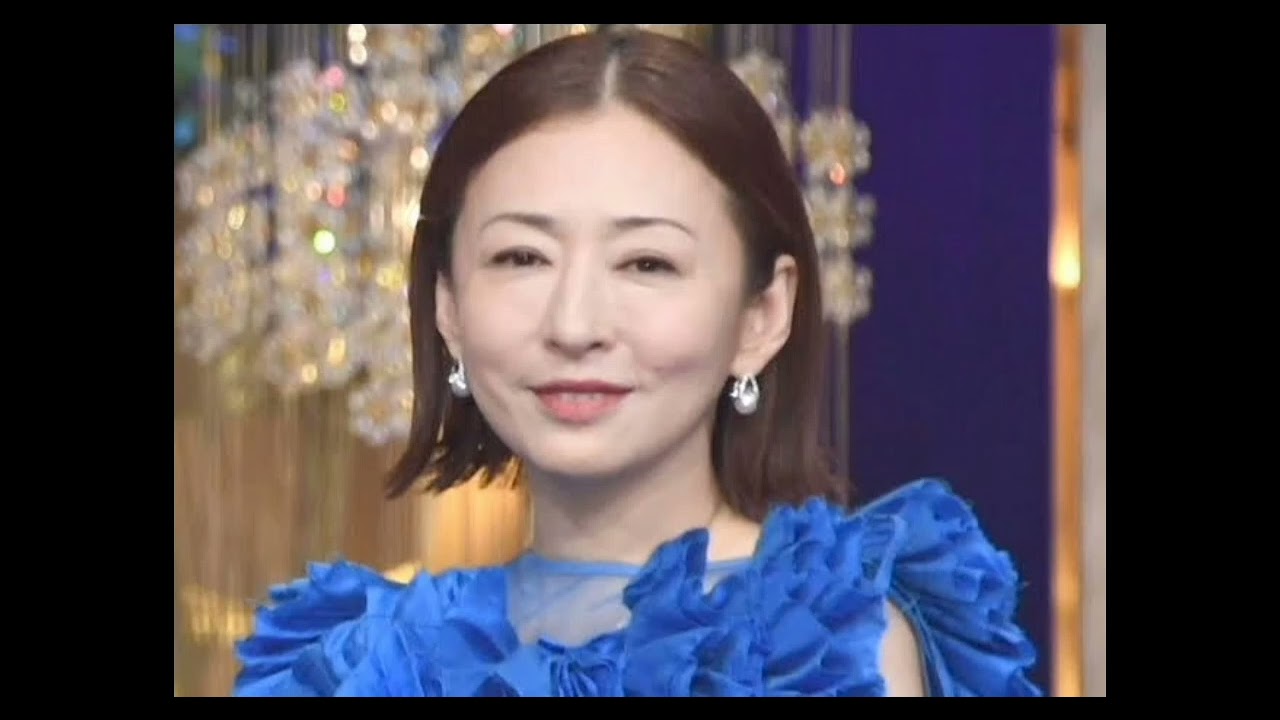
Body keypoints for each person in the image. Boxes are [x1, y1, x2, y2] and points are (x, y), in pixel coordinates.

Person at [232, 29, 1043, 698]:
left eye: (647, 263)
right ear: (448, 307)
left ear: (762, 315)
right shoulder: (360, 661)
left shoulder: (823, 641)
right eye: (521, 257)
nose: (575, 324)